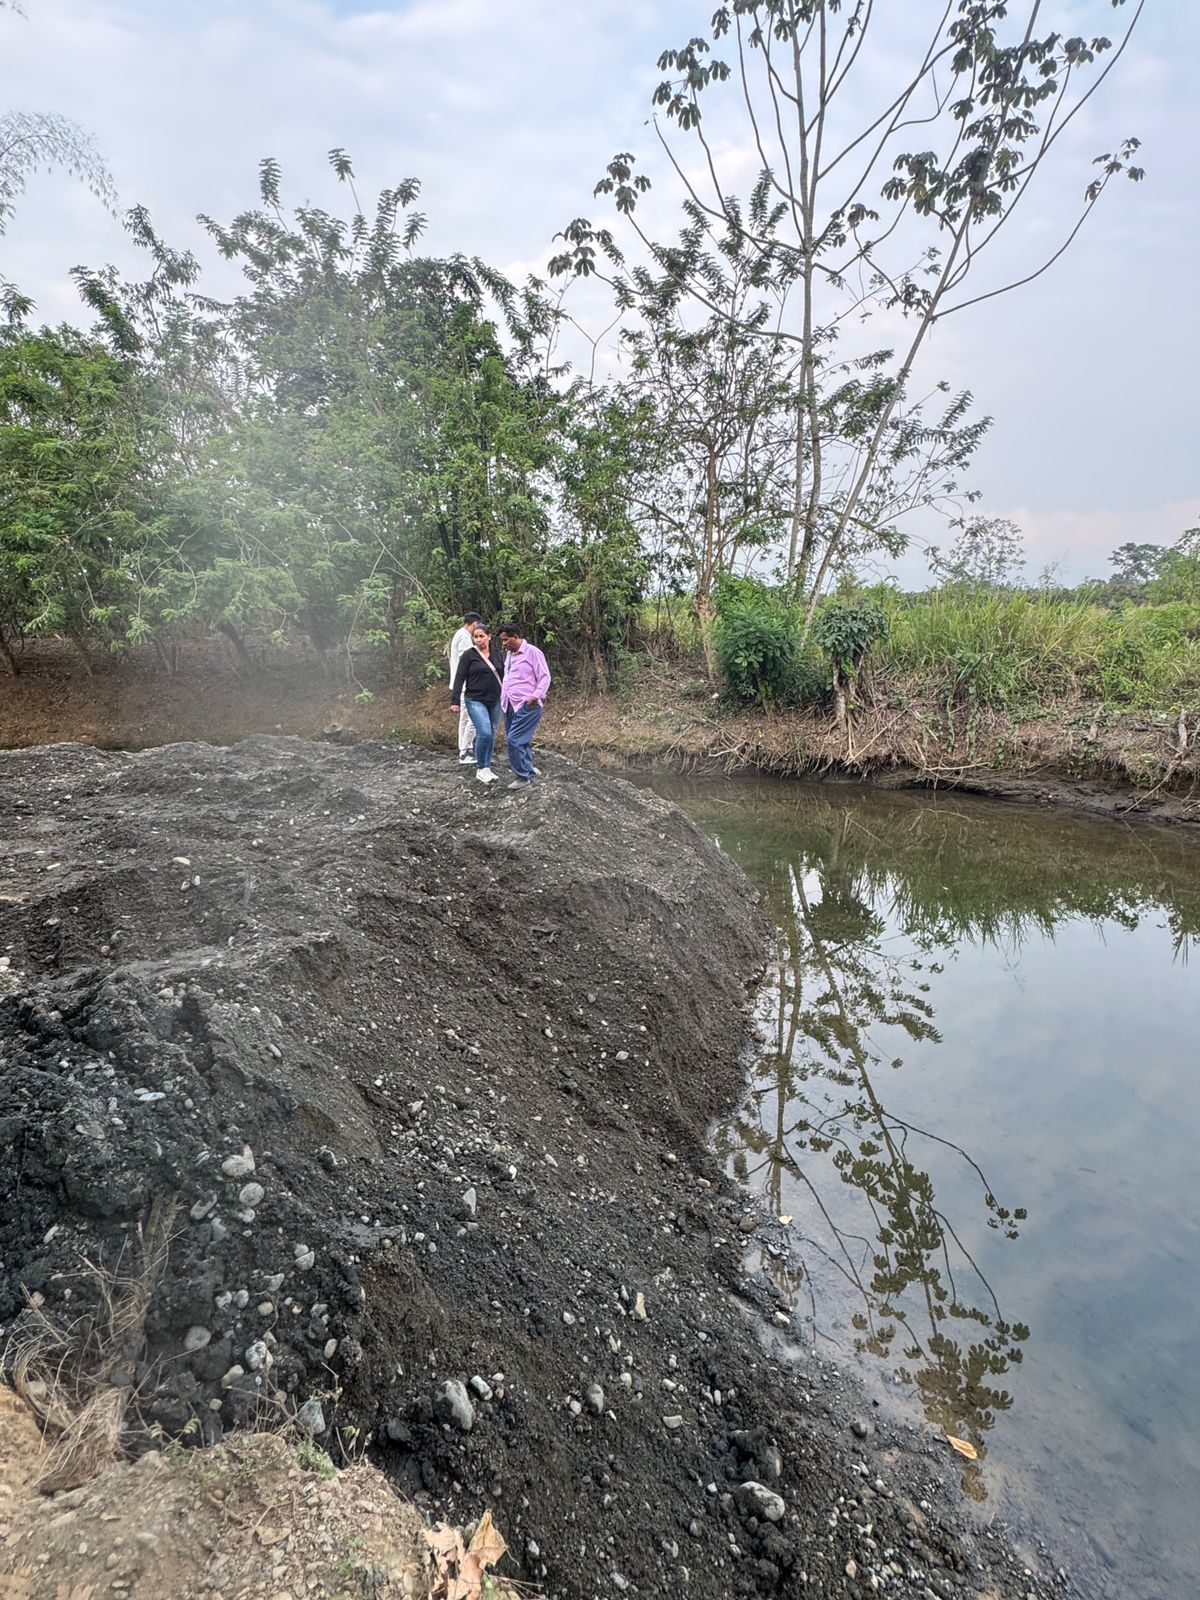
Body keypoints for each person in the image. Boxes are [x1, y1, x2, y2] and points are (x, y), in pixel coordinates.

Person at [449, 624, 504, 785]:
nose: (479, 639)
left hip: (495, 699)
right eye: (476, 637)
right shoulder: (469, 655)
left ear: (489, 637)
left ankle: (487, 766)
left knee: (492, 733)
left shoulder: (497, 653)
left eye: (482, 636)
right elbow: (459, 677)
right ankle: (481, 768)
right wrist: (455, 700)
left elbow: (504, 675)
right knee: (484, 732)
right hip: (475, 699)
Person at [497, 623, 550, 789]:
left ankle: (522, 777)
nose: (504, 644)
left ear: (515, 637)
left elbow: (544, 676)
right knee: (522, 740)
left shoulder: (533, 652)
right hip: (509, 704)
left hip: (527, 704)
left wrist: (536, 696)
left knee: (514, 740)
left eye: (506, 640)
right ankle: (528, 772)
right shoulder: (509, 655)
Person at [447, 611, 483, 764]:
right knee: (473, 719)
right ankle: (465, 750)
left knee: (464, 719)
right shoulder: (464, 637)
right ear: (475, 624)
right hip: (465, 685)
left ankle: (463, 749)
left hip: (460, 684)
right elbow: (467, 661)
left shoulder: (459, 634)